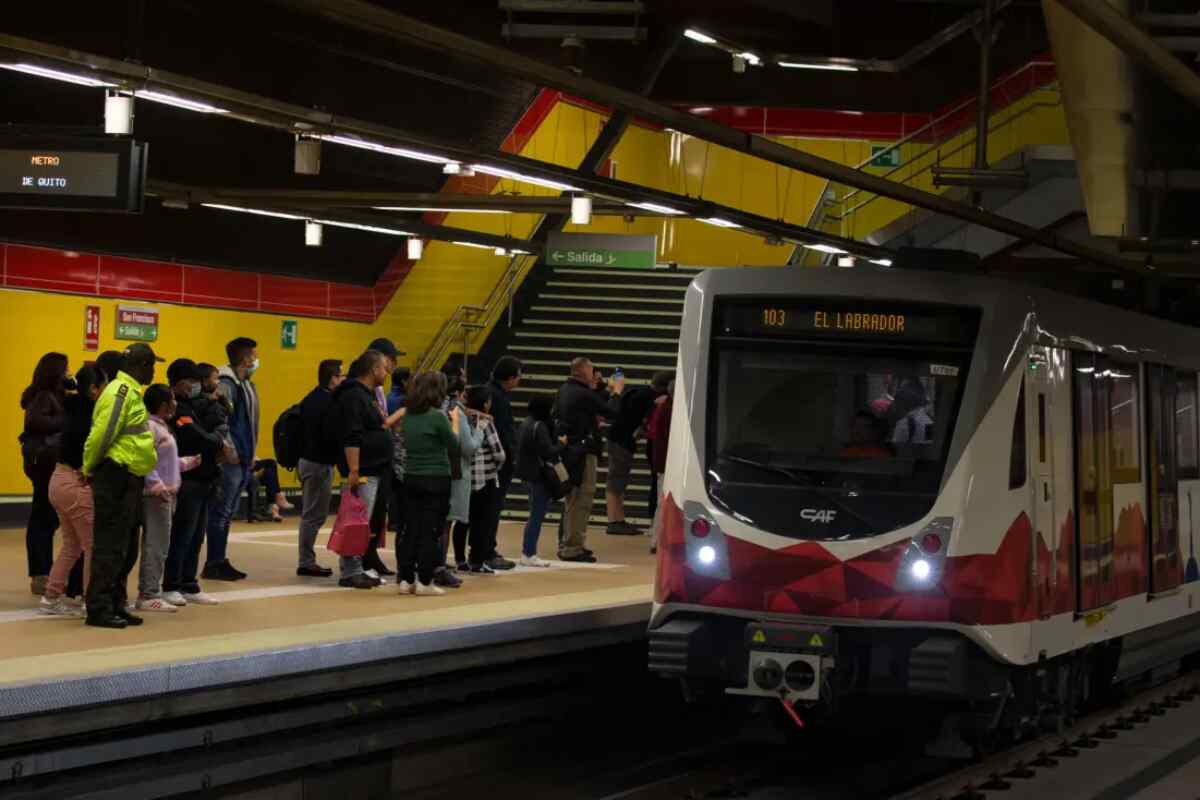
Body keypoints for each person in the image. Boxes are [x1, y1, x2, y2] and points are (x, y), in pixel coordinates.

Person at [83, 343, 162, 629]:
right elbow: (101, 435)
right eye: (152, 365)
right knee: (111, 546)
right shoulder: (120, 392)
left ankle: (117, 603)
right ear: (140, 366)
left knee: (127, 548)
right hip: (115, 477)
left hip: (130, 480)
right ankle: (99, 608)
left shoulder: (131, 393)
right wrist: (89, 467)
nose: (154, 371)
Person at [40, 364, 108, 617]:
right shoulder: (93, 413)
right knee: (92, 546)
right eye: (104, 385)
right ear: (93, 388)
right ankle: (90, 601)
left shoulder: (68, 406)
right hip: (76, 483)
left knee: (71, 546)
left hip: (57, 479)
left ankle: (51, 597)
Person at [328, 350, 400, 589]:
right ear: (373, 369)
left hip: (374, 468)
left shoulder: (365, 395)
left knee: (362, 521)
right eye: (383, 367)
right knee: (356, 521)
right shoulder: (353, 397)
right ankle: (350, 570)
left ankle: (356, 567)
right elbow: (352, 435)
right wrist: (354, 469)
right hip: (364, 469)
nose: (386, 371)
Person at [163, 358, 225, 607]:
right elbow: (194, 436)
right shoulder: (176, 407)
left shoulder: (195, 405)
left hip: (205, 476)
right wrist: (217, 442)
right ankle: (171, 584)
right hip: (187, 477)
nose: (195, 386)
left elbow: (213, 427)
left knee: (197, 534)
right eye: (191, 382)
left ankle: (189, 583)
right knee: (182, 534)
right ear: (179, 383)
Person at [136, 384, 199, 613]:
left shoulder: (162, 427)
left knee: (158, 544)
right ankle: (149, 594)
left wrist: (188, 462)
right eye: (172, 399)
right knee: (156, 546)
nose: (176, 402)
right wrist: (157, 485)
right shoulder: (151, 426)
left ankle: (149, 590)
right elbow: (145, 460)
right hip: (157, 497)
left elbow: (165, 462)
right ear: (164, 404)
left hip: (166, 494)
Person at [554, 357, 622, 563]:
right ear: (584, 373)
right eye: (592, 372)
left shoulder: (565, 390)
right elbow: (612, 412)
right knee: (581, 498)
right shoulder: (582, 394)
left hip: (569, 451)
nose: (595, 376)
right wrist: (617, 391)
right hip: (581, 453)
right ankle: (572, 547)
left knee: (573, 499)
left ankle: (571, 543)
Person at [400, 372, 460, 596]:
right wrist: (454, 423)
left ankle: (406, 580)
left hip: (411, 476)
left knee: (410, 530)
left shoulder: (408, 415)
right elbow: (454, 446)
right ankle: (425, 581)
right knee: (430, 531)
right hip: (436, 478)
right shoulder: (437, 416)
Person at [204, 337, 260, 581]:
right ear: (245, 358)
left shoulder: (245, 383)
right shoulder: (228, 383)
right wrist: (230, 451)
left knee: (228, 512)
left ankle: (220, 559)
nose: (256, 360)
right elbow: (223, 420)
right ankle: (214, 562)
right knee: (221, 511)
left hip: (243, 457)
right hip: (232, 459)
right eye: (253, 355)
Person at [20, 352, 70, 597]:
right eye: (66, 369)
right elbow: (37, 423)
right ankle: (40, 574)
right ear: (56, 372)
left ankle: (44, 571)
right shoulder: (43, 396)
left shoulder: (54, 395)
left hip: (45, 462)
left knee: (47, 518)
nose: (69, 374)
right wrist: (66, 418)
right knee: (42, 517)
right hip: (43, 463)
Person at [605, 371, 671, 535]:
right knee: (616, 481)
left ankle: (618, 519)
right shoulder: (650, 398)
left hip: (618, 439)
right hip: (621, 441)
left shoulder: (639, 391)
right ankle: (614, 521)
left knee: (619, 480)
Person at [296, 358, 343, 578]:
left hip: (308, 461)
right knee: (313, 515)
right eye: (340, 375)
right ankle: (306, 561)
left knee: (312, 514)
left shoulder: (310, 398)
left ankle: (306, 560)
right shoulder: (327, 402)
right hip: (318, 463)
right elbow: (331, 434)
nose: (342, 379)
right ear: (332, 378)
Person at [364, 337, 404, 578]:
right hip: (369, 460)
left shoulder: (379, 388)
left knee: (379, 513)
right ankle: (359, 558)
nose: (394, 364)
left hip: (383, 459)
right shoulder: (362, 388)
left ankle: (371, 554)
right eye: (391, 358)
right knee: (365, 514)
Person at [457, 385, 506, 574]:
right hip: (485, 478)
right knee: (482, 521)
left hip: (465, 476)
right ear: (486, 404)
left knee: (463, 520)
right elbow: (499, 453)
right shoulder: (486, 422)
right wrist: (499, 464)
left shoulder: (461, 418)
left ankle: (460, 559)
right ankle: (477, 560)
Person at [514, 396, 566, 568]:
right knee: (536, 514)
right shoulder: (540, 426)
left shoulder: (526, 423)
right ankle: (528, 553)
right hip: (538, 476)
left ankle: (528, 552)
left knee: (534, 513)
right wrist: (561, 444)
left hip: (527, 474)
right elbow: (548, 451)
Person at [486, 355, 522, 568]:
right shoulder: (498, 397)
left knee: (489, 508)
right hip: (497, 462)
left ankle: (486, 549)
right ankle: (487, 551)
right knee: (492, 507)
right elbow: (503, 432)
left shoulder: (493, 393)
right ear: (509, 378)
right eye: (518, 377)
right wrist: (510, 455)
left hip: (492, 462)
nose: (519, 381)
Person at [443, 377, 479, 582]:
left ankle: (433, 563)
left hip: (428, 471)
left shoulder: (416, 411)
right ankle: (437, 565)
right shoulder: (454, 414)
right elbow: (462, 444)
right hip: (450, 471)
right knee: (446, 522)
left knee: (440, 523)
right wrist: (479, 430)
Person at [647, 379, 674, 554]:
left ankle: (656, 539)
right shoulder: (671, 410)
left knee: (661, 502)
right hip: (666, 462)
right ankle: (656, 539)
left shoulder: (663, 408)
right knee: (662, 502)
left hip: (661, 461)